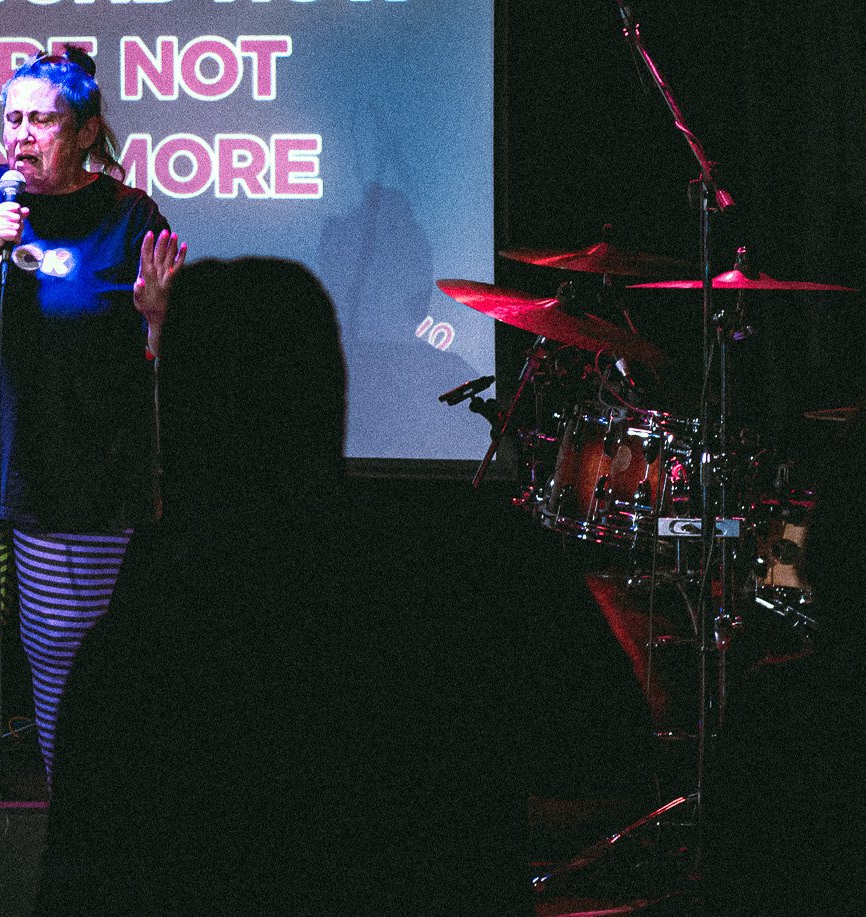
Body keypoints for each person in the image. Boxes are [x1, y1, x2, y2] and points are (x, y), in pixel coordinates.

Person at [38, 258, 531, 916]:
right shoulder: (445, 604)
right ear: (330, 389)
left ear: (181, 410)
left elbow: (80, 884)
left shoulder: (135, 655)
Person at [0, 47, 184, 774]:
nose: (21, 134)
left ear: (84, 131)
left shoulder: (127, 214)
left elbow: (164, 357)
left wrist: (158, 316)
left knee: (69, 673)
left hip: (76, 481)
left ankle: (67, 817)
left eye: (41, 120)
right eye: (12, 118)